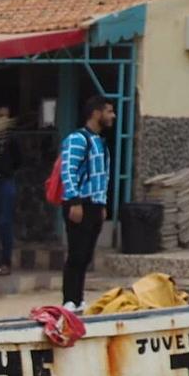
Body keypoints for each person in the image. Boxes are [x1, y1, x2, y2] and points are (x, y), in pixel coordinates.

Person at [61, 95, 115, 310]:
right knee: (76, 253)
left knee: (86, 255)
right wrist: (74, 201)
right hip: (79, 203)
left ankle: (79, 297)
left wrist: (102, 205)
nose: (112, 116)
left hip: (95, 204)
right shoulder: (78, 139)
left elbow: (103, 177)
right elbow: (68, 170)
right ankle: (69, 299)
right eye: (109, 111)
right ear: (96, 113)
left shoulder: (101, 142)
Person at [0, 106, 26, 276]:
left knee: (5, 221)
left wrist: (9, 170)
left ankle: (6, 262)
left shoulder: (12, 138)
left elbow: (19, 159)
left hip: (6, 180)